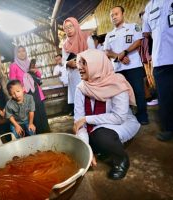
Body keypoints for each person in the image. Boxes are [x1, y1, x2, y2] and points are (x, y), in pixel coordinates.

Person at [73, 49, 140, 180]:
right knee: (80, 140)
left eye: (84, 63)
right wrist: (87, 150)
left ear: (97, 64)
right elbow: (78, 123)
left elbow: (119, 117)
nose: (79, 67)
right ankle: (99, 149)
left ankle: (121, 160)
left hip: (120, 123)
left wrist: (86, 119)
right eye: (78, 63)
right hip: (98, 126)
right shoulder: (81, 88)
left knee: (101, 136)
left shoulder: (117, 83)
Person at [142, 0, 173, 141]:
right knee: (166, 97)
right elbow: (147, 33)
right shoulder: (149, 6)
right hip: (161, 59)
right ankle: (172, 129)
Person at [104, 6, 149, 125]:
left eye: (116, 14)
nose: (114, 17)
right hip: (118, 69)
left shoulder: (133, 27)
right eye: (112, 15)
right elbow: (107, 51)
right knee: (121, 95)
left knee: (138, 91)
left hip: (133, 66)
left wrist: (125, 52)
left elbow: (138, 42)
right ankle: (127, 117)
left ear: (123, 14)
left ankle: (142, 116)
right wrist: (118, 56)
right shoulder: (109, 35)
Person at [9, 46, 50, 134]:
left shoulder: (30, 63)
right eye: (19, 52)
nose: (22, 53)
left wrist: (35, 71)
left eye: (23, 51)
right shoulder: (13, 66)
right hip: (25, 94)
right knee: (32, 117)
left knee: (42, 115)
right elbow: (13, 83)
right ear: (16, 54)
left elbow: (39, 76)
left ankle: (47, 134)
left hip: (37, 92)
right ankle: (37, 138)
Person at [62, 17, 95, 116]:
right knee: (79, 101)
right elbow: (64, 60)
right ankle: (82, 122)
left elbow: (94, 54)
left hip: (88, 73)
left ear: (76, 26)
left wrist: (80, 61)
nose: (68, 29)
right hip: (74, 76)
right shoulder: (65, 44)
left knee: (90, 99)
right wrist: (68, 63)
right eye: (66, 27)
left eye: (70, 26)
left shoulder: (86, 38)